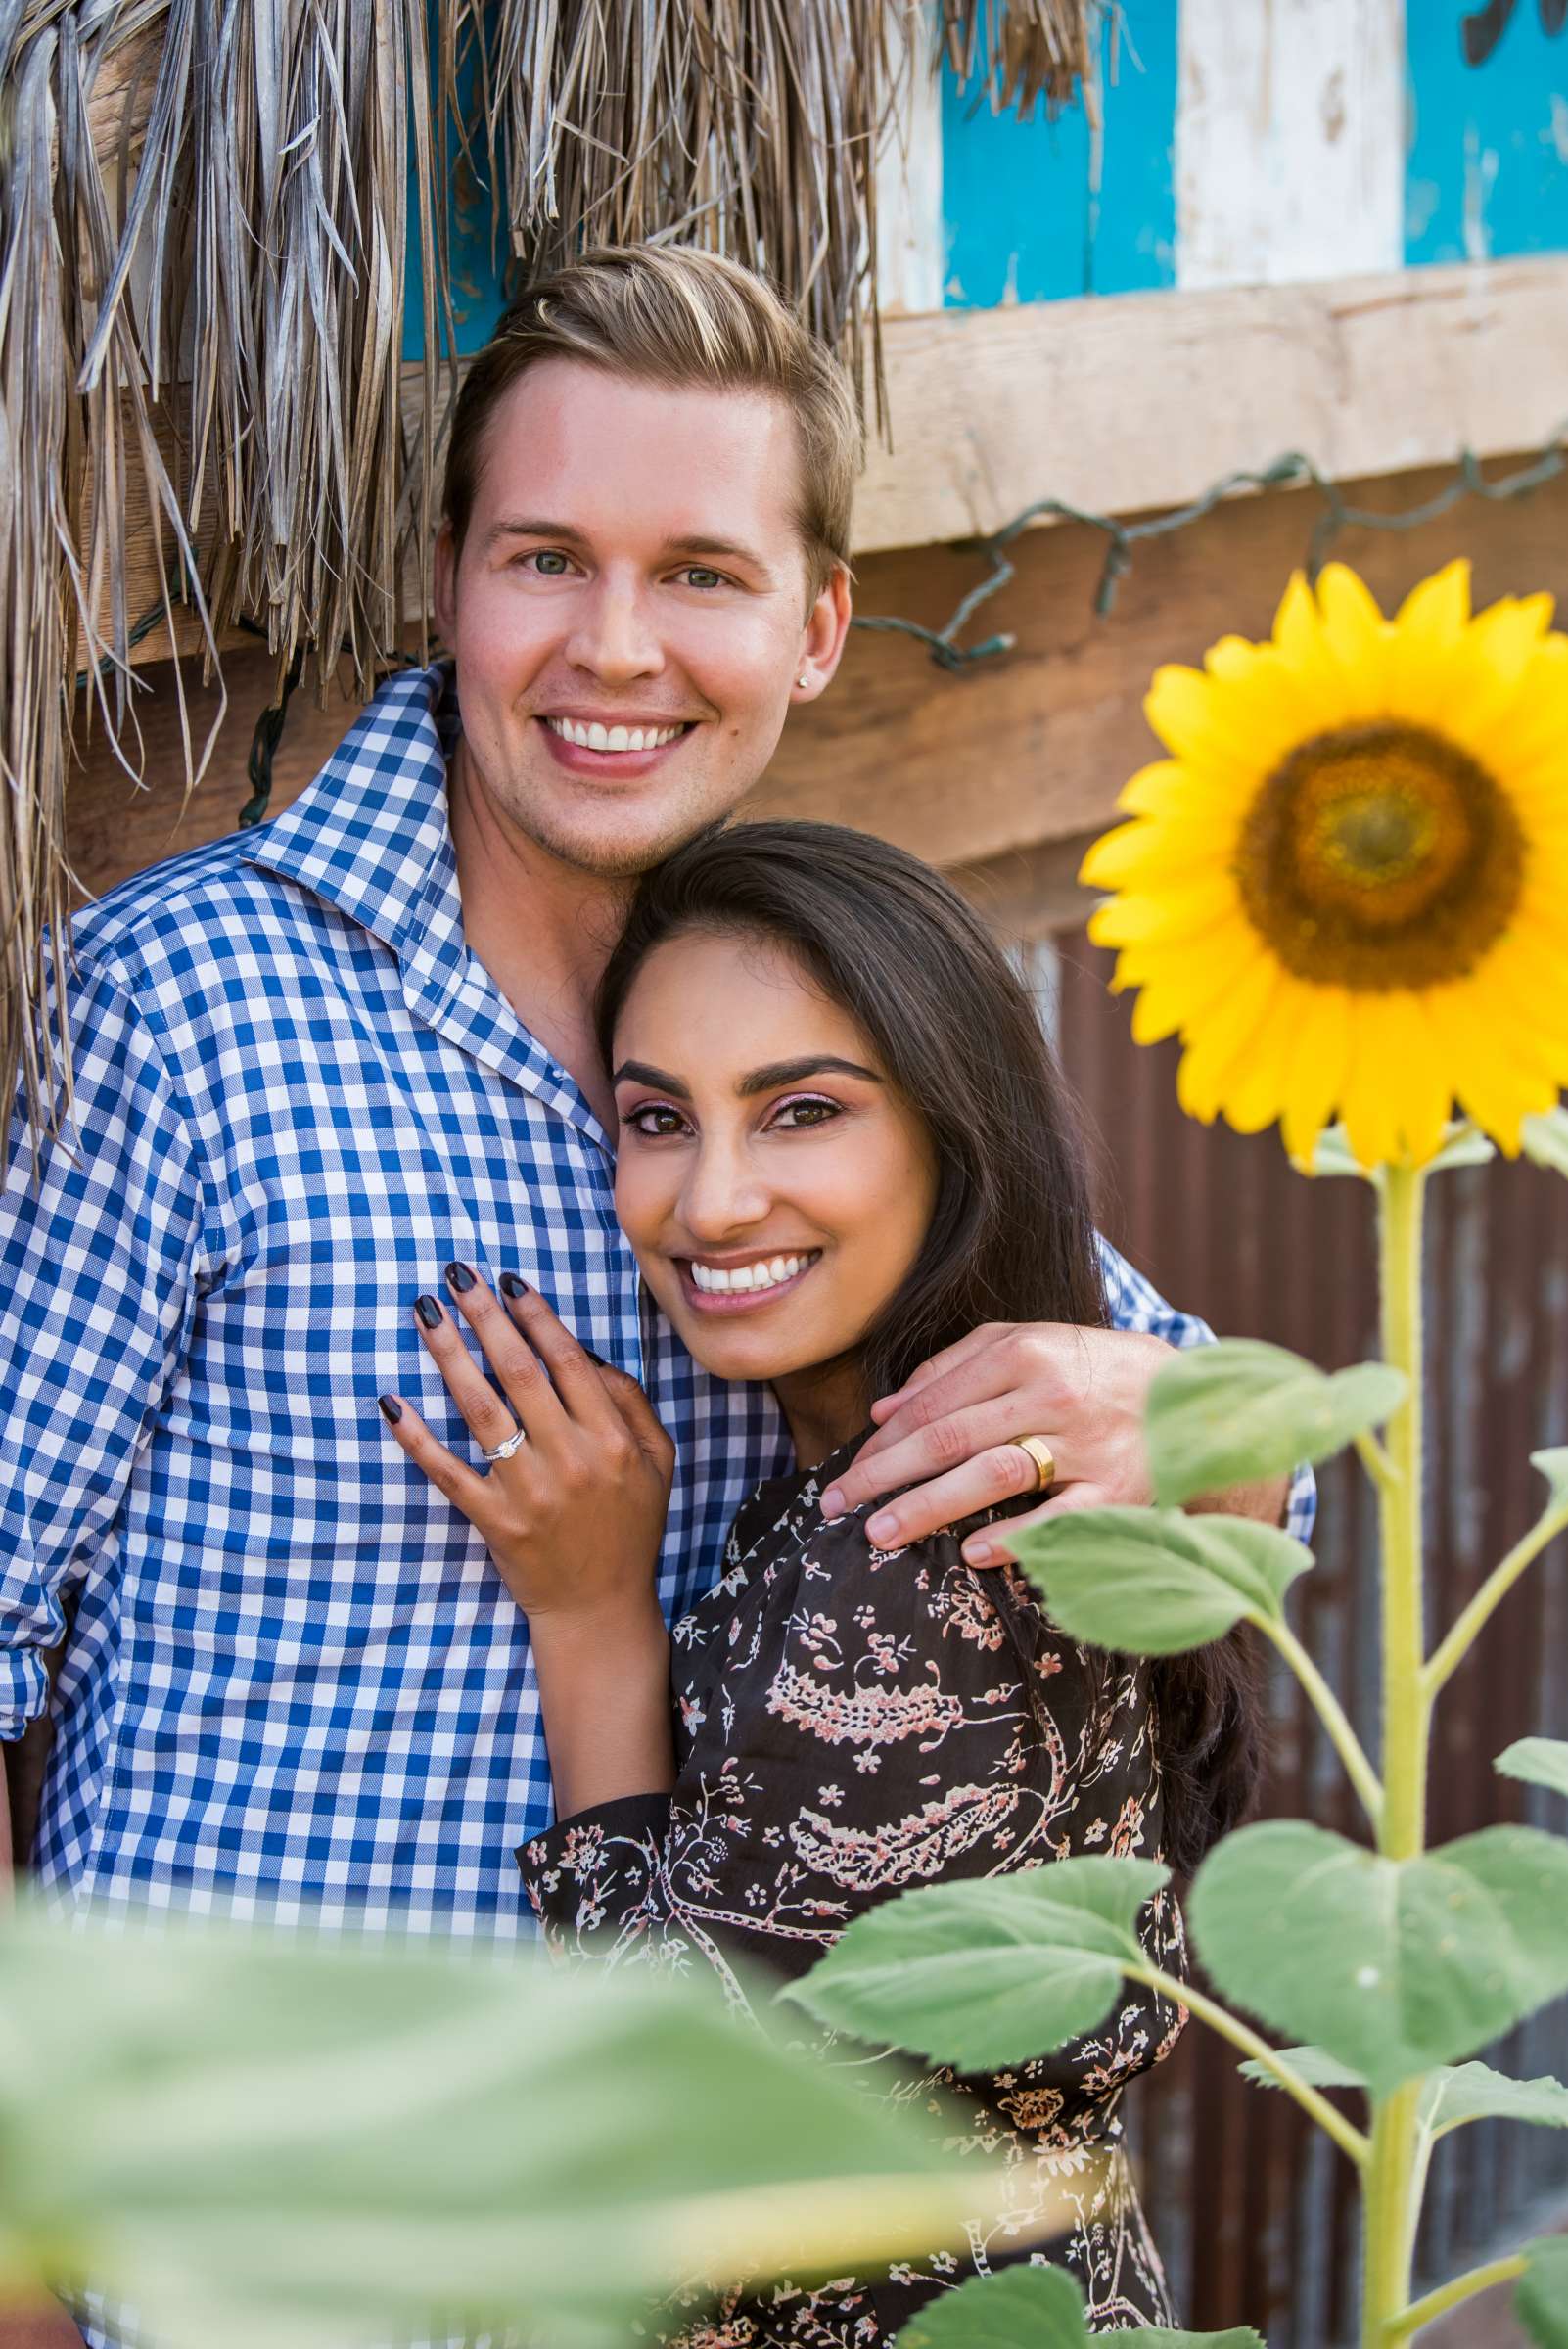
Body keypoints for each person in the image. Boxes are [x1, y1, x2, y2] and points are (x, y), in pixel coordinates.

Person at [0, 247, 1309, 2349]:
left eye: (699, 571)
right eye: (548, 557)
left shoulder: (810, 1036)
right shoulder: (185, 1011)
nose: (616, 649)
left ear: (814, 627)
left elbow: (1223, 1465)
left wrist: (1193, 1435)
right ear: (450, 585)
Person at [383, 820, 1265, 2338]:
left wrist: (588, 1620)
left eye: (798, 1112)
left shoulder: (912, 1560)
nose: (710, 1203)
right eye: (658, 1120)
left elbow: (688, 2144)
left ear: (951, 1126)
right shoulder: (955, 1465)